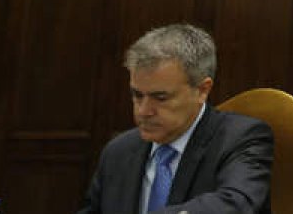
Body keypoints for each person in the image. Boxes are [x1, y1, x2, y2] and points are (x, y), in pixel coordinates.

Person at [78, 23, 273, 213]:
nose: (143, 111)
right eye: (137, 95)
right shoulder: (118, 151)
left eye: (160, 98)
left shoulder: (241, 140)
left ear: (202, 90)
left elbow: (236, 204)